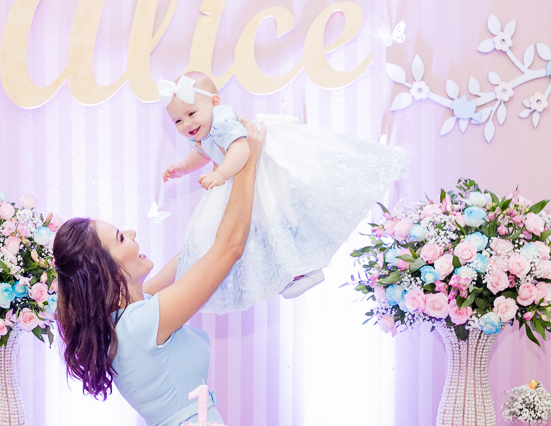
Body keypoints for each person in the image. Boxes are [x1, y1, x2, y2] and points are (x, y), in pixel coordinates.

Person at [52, 120, 266, 426]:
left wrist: (225, 178)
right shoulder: (141, 324)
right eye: (120, 237)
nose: (132, 233)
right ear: (106, 269)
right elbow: (227, 251)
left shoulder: (125, 320)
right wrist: (248, 162)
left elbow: (194, 257)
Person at [159, 71, 407, 312]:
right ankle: (296, 272)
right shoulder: (203, 134)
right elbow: (201, 153)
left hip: (264, 170)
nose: (186, 124)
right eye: (177, 121)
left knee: (283, 215)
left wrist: (221, 174)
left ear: (215, 103)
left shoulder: (223, 121)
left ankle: (305, 267)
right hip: (246, 178)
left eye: (191, 113)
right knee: (262, 230)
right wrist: (182, 167)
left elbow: (241, 150)